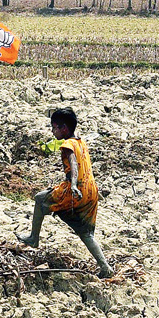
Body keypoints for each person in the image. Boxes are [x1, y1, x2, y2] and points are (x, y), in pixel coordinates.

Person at [17, 107, 113, 278]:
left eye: (54, 127)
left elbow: (73, 165)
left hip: (76, 189)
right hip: (91, 191)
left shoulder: (67, 145)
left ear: (63, 128)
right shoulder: (80, 142)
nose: (52, 131)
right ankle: (105, 267)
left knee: (40, 199)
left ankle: (33, 238)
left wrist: (74, 184)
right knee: (86, 233)